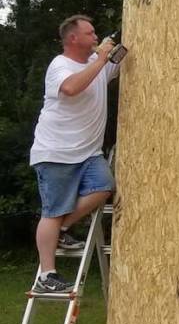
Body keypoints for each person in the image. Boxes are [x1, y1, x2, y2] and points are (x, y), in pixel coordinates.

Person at [29, 16, 121, 294]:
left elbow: (119, 61)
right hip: (57, 152)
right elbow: (70, 88)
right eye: (90, 33)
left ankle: (62, 232)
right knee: (53, 212)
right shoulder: (60, 65)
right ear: (73, 39)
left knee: (104, 187)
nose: (96, 37)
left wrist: (113, 51)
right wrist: (101, 59)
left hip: (88, 152)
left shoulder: (98, 66)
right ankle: (47, 275)